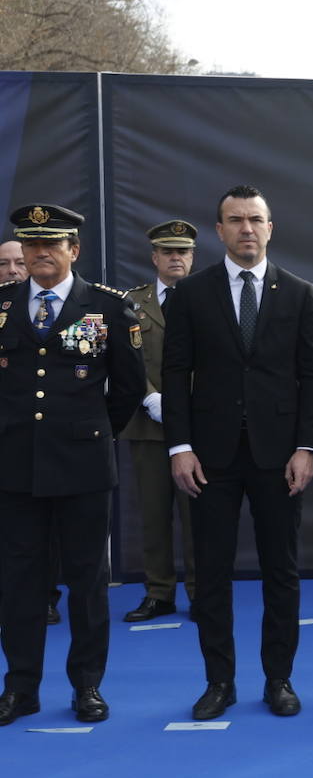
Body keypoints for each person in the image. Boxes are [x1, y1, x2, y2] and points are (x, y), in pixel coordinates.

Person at [162, 185, 313, 720]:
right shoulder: (191, 294)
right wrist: (180, 446)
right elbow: (174, 373)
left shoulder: (300, 293)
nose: (247, 229)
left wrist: (307, 448)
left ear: (271, 228)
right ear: (219, 231)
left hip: (279, 457)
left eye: (256, 219)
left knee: (281, 571)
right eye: (235, 220)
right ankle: (219, 681)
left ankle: (279, 679)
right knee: (210, 572)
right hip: (209, 458)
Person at [0, 203, 145, 726]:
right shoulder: (2, 304)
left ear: (73, 250)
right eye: (31, 244)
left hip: (82, 466)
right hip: (15, 466)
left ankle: (87, 686)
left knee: (86, 580)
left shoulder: (105, 307)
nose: (40, 253)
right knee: (18, 580)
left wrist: (93, 432)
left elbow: (128, 386)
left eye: (51, 244)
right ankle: (20, 687)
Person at [120, 221, 197, 622]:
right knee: (153, 513)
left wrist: (185, 403)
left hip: (199, 424)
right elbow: (125, 357)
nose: (175, 258)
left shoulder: (208, 298)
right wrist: (150, 397)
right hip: (148, 424)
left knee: (197, 514)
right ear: (154, 258)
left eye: (182, 252)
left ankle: (202, 592)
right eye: (167, 252)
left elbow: (220, 358)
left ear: (192, 257)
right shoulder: (132, 302)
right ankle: (159, 592)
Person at [0, 240, 63, 627]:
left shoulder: (64, 308)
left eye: (16, 262)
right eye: (3, 264)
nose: (11, 270)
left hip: (50, 442)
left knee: (46, 528)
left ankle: (46, 595)